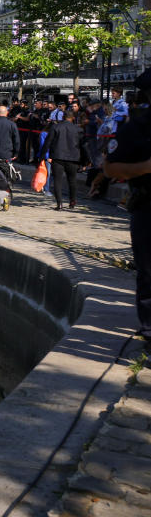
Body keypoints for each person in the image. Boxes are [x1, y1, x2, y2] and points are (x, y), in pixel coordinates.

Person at [103, 70, 151, 340]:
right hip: (147, 207)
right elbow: (110, 168)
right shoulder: (138, 127)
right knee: (148, 273)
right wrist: (145, 168)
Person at [46, 110, 82, 210]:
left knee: (57, 180)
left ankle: (59, 203)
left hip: (58, 157)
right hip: (73, 157)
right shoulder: (78, 129)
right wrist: (84, 160)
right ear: (73, 118)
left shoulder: (56, 127)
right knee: (72, 180)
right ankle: (72, 201)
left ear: (62, 117)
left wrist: (42, 155)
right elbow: (83, 145)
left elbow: (48, 142)